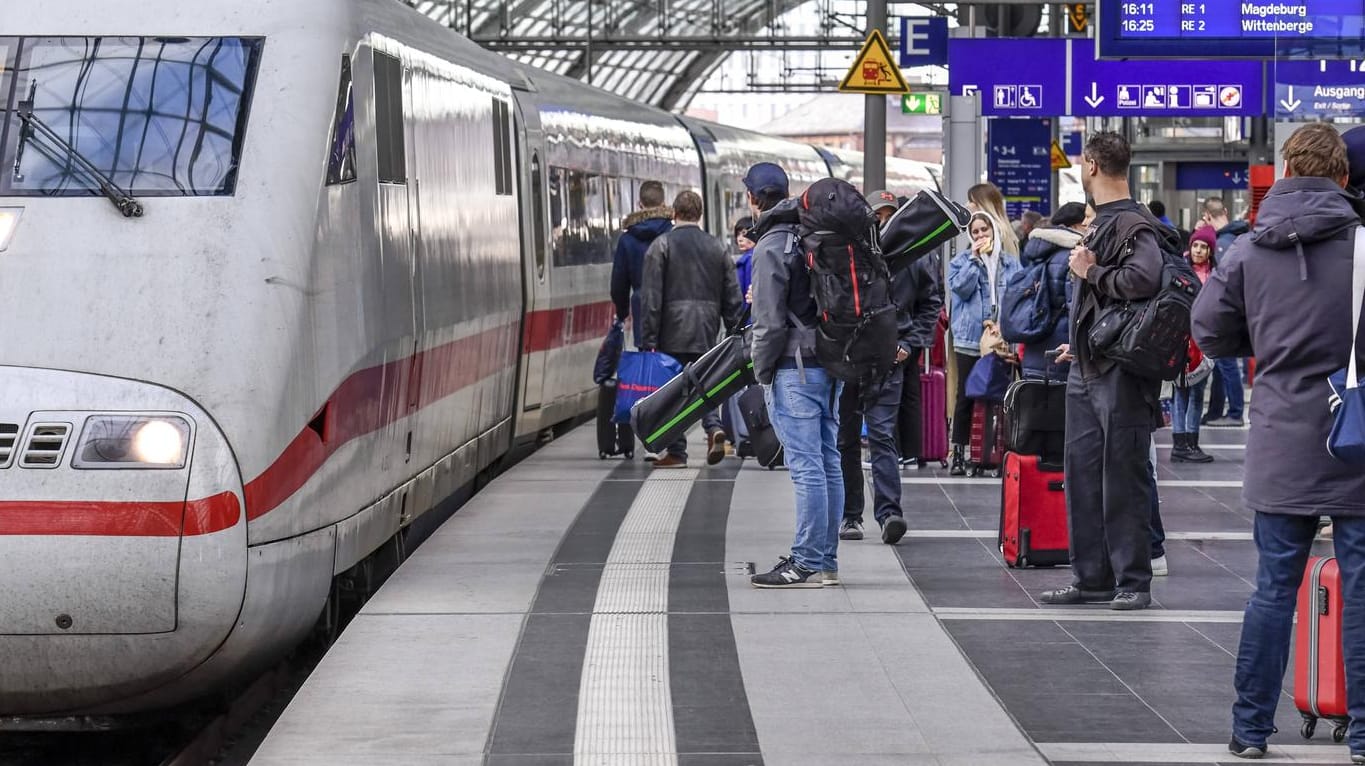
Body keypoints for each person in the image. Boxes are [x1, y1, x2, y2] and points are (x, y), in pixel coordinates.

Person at [1189, 123, 1365, 761]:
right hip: (1358, 436)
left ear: (1286, 171)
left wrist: (1266, 347)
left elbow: (1209, 331)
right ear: (1343, 178)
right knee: (1363, 586)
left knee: (1271, 588)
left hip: (1281, 438)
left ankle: (1249, 730)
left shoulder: (1246, 250)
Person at [1039, 131, 1170, 611]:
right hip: (1089, 366)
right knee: (1084, 473)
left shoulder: (1134, 224)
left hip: (1120, 374)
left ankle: (1132, 579)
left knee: (1122, 474)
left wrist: (1089, 271)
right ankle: (1091, 575)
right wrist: (1079, 343)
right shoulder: (1105, 222)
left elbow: (1142, 280)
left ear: (1090, 165)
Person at [746, 163, 844, 588]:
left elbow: (767, 324)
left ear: (752, 199)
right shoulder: (810, 234)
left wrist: (762, 370)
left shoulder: (770, 246)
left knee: (806, 468)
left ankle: (803, 560)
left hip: (793, 368)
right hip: (829, 362)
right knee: (828, 461)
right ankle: (825, 561)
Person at [836, 190, 933, 544]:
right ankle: (850, 515)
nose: (884, 222)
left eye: (890, 215)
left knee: (881, 435)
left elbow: (929, 303)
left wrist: (909, 344)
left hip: (890, 360)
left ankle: (890, 512)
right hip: (848, 360)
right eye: (879, 215)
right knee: (846, 437)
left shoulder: (914, 259)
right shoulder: (848, 255)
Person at [639, 190, 744, 469]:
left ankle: (677, 452)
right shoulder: (716, 247)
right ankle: (713, 429)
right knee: (701, 382)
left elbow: (651, 297)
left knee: (675, 391)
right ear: (699, 215)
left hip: (670, 329)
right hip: (706, 327)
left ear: (674, 213)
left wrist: (647, 338)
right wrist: (734, 327)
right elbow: (732, 293)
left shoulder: (661, 245)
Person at [946, 211, 1021, 475]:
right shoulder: (961, 262)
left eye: (984, 230)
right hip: (968, 338)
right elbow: (961, 290)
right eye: (975, 232)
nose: (980, 236)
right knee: (966, 394)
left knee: (1002, 395)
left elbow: (1016, 296)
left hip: (999, 338)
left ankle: (999, 452)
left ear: (994, 231)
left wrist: (1006, 325)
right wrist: (974, 261)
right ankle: (959, 453)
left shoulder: (1010, 263)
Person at [1017, 201, 1086, 381]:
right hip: (1061, 353)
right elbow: (1075, 309)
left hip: (1035, 347)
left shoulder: (1037, 253)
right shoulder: (1073, 257)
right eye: (1086, 221)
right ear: (1075, 226)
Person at [1200, 196, 1251, 427]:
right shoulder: (1241, 237)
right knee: (1222, 366)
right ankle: (1216, 411)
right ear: (1226, 211)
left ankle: (1235, 413)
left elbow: (1223, 283)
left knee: (1227, 365)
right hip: (1241, 311)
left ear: (1207, 216)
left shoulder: (1222, 244)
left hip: (1226, 314)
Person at [1170, 226, 1218, 464]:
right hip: (1182, 341)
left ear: (1211, 250)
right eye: (1196, 245)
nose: (1198, 250)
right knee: (1180, 392)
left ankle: (1191, 441)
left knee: (1197, 393)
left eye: (1204, 246)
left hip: (1205, 342)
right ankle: (1180, 444)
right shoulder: (1180, 270)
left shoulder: (1216, 274)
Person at [610, 181, 673, 346]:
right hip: (674, 315)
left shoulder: (627, 239)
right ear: (663, 204)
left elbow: (619, 284)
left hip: (643, 314)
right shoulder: (673, 234)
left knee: (649, 365)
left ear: (639, 204)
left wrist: (622, 312)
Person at [967, 183, 1022, 256]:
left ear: (982, 204)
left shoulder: (991, 234)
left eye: (971, 201)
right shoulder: (1002, 231)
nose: (967, 205)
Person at [734, 216, 756, 312]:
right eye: (738, 234)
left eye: (744, 234)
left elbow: (748, 297)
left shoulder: (750, 259)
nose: (740, 239)